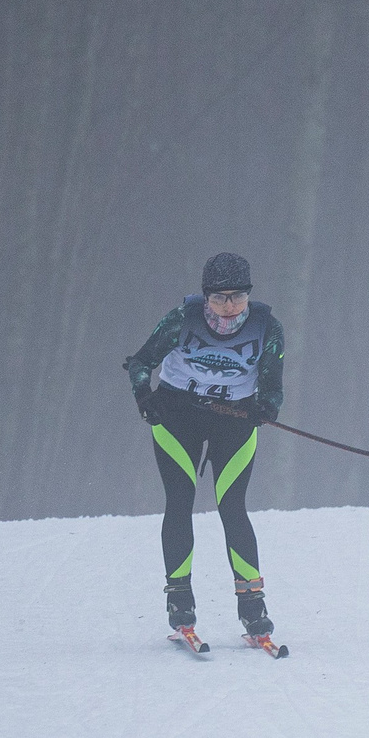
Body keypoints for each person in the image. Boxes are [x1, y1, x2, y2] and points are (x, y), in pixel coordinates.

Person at [123, 251, 286, 641]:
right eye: (219, 298)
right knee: (180, 499)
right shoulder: (184, 319)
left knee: (232, 506)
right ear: (205, 295)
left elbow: (273, 385)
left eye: (237, 297)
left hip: (235, 421)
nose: (229, 308)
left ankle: (252, 606)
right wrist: (144, 396)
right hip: (178, 417)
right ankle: (180, 600)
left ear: (249, 295)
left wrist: (266, 407)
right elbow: (141, 362)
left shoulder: (267, 326)